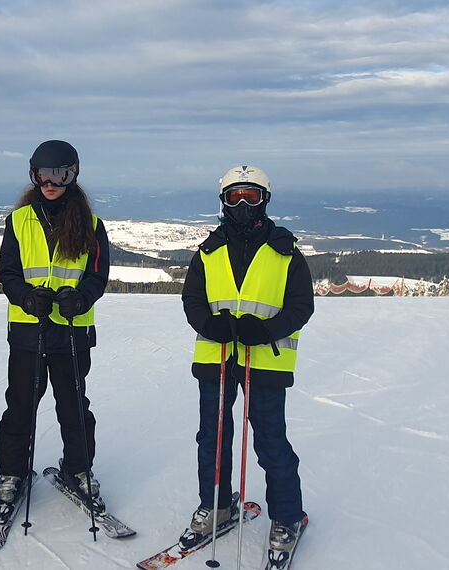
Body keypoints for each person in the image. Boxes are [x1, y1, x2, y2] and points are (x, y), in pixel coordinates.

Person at [180, 165, 312, 557]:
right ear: (223, 200)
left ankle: (287, 517)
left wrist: (267, 331)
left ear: (264, 200)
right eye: (235, 196)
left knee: (270, 440)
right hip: (217, 356)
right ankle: (217, 505)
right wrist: (210, 324)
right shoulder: (208, 251)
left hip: (266, 360)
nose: (242, 204)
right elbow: (193, 300)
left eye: (250, 196)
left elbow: (302, 305)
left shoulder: (285, 251)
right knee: (213, 437)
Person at [0, 139, 111, 521]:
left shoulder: (91, 224)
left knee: (74, 406)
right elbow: (7, 272)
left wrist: (81, 299)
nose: (51, 181)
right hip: (28, 330)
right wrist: (26, 297)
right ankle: (12, 472)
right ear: (34, 175)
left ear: (73, 174)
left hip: (71, 331)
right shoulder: (19, 220)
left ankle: (79, 468)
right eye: (44, 174)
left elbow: (97, 275)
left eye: (60, 173)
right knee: (21, 406)